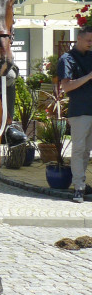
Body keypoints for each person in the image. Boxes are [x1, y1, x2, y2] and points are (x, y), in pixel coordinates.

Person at [58, 25, 92, 202]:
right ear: (79, 38)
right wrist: (88, 77)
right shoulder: (67, 59)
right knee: (78, 150)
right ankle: (78, 187)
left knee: (86, 151)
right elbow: (66, 86)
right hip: (79, 111)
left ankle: (82, 183)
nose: (91, 44)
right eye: (88, 41)